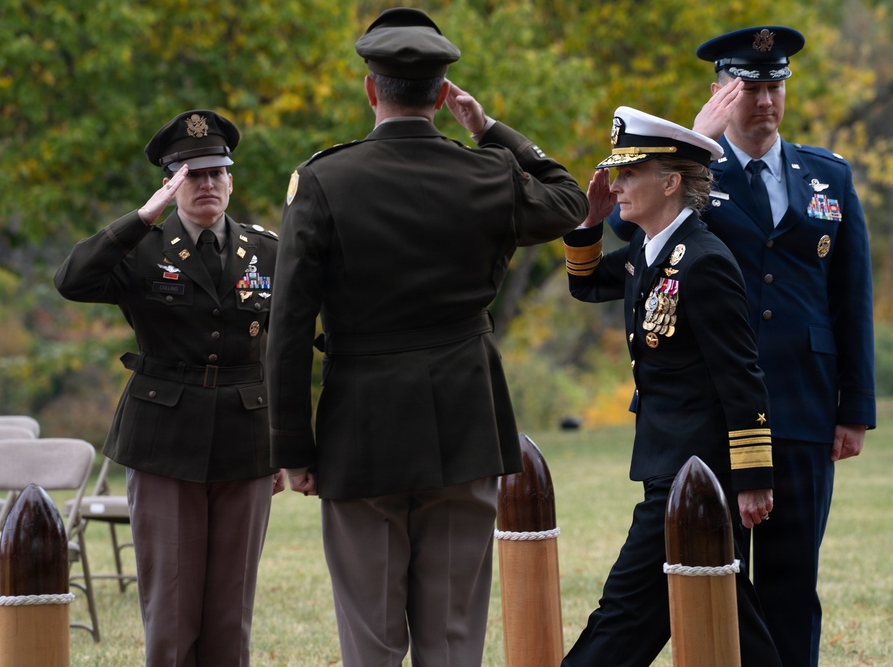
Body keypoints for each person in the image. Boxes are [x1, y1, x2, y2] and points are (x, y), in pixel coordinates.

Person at [266, 7, 588, 665]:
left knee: (372, 638)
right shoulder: (489, 173)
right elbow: (568, 199)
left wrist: (293, 447)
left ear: (370, 89)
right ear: (443, 96)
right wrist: (490, 130)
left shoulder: (323, 181)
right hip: (465, 422)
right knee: (451, 636)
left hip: (362, 428)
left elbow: (289, 325)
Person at [605, 27, 876, 666]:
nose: (764, 100)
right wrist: (694, 139)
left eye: (774, 86)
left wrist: (854, 407)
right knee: (711, 572)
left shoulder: (827, 175)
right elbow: (626, 225)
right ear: (720, 92)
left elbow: (851, 296)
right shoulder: (689, 171)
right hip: (711, 411)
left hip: (804, 404)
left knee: (792, 580)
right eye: (749, 88)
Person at [54, 109, 284, 667]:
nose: (207, 184)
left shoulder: (267, 251)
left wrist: (286, 441)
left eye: (216, 173)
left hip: (246, 436)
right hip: (164, 438)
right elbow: (72, 279)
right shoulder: (143, 248)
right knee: (172, 606)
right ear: (170, 183)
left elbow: (285, 348)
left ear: (231, 180)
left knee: (232, 606)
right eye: (191, 175)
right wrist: (141, 217)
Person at [561, 106, 782, 666]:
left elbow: (741, 374)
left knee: (627, 609)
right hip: (671, 463)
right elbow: (585, 284)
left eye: (630, 173)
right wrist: (589, 221)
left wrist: (752, 479)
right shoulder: (650, 250)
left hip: (697, 471)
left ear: (670, 182)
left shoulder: (703, 262)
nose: (616, 185)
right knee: (723, 604)